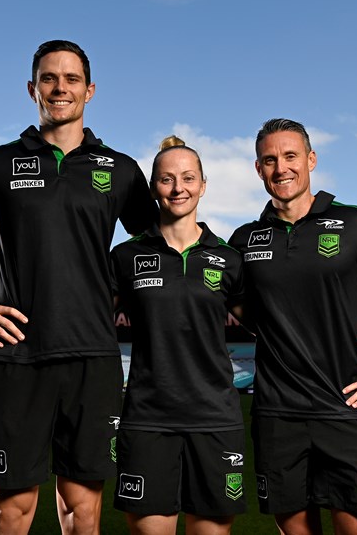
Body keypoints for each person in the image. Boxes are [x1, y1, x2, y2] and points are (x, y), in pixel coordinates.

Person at [0, 40, 158, 534]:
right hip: (18, 356)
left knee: (81, 512)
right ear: (32, 90)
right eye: (49, 78)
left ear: (89, 91)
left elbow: (159, 252)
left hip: (93, 358)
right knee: (12, 511)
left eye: (71, 79)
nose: (60, 87)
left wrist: (131, 298)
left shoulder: (122, 170)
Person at [228, 118, 357, 535]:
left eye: (291, 156)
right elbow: (242, 310)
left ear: (311, 160)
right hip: (278, 416)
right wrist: (292, 328)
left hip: (348, 409)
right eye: (269, 159)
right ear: (258, 168)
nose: (281, 168)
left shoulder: (355, 222)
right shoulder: (244, 240)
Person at [110, 136, 248, 534]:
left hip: (215, 419)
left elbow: (273, 325)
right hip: (148, 420)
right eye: (167, 179)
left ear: (203, 185)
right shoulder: (127, 257)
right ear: (154, 187)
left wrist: (344, 335)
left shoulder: (227, 259)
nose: (178, 188)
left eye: (188, 178)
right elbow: (90, 320)